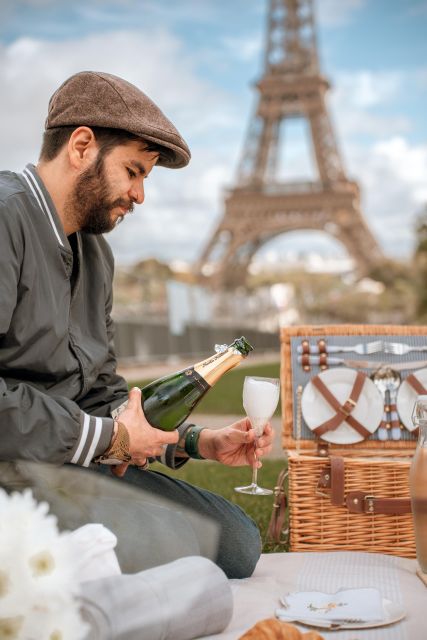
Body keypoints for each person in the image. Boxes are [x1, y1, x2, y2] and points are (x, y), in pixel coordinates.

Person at [0, 71, 273, 580]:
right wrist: (102, 439)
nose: (140, 195)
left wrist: (194, 441)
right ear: (82, 146)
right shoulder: (4, 219)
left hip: (69, 457)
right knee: (187, 547)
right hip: (13, 462)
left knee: (236, 542)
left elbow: (103, 394)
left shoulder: (96, 254)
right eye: (133, 171)